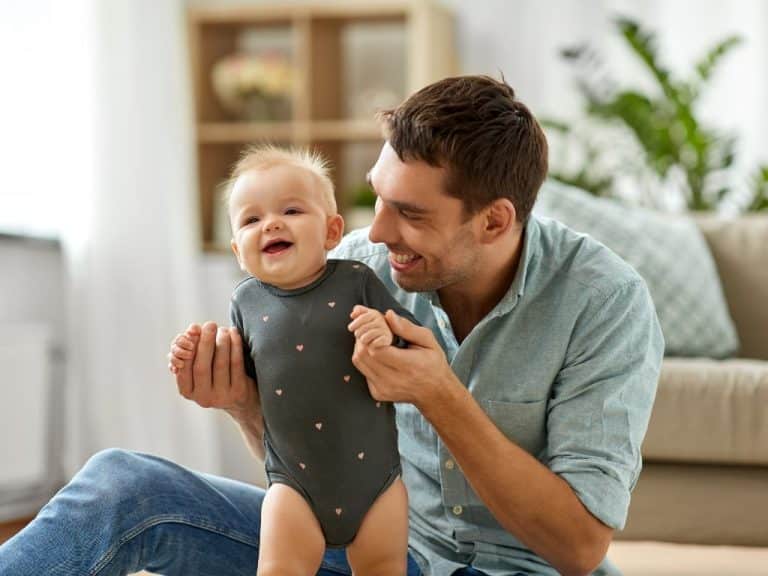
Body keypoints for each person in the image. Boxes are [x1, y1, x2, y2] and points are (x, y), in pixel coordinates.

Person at [0, 75, 663, 576]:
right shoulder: (355, 272)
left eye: (411, 214)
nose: (376, 232)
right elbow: (311, 467)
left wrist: (439, 394)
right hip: (374, 552)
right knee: (125, 485)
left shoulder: (602, 303)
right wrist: (246, 405)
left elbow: (579, 546)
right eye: (377, 196)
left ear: (494, 220)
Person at [169, 144, 414, 575]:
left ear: (332, 231)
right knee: (280, 567)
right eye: (251, 219)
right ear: (237, 249)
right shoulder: (244, 301)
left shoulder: (357, 281)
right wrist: (199, 357)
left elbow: (414, 346)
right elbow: (241, 380)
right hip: (294, 484)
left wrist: (385, 332)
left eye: (292, 211)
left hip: (376, 483)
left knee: (382, 567)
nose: (272, 224)